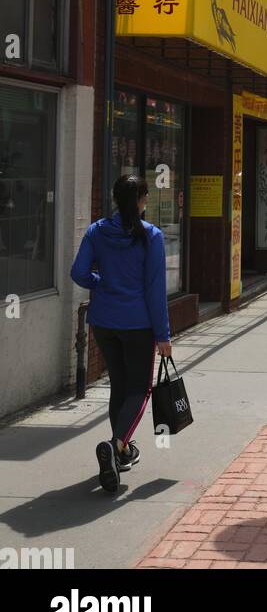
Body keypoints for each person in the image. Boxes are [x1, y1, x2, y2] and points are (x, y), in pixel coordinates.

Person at [70, 174, 171, 496]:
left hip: (103, 321)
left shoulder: (97, 231)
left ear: (115, 199)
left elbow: (78, 273)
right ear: (142, 200)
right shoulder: (150, 236)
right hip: (138, 324)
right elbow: (156, 292)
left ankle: (123, 452)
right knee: (140, 390)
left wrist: (102, 282)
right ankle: (115, 445)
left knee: (119, 384)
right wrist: (164, 336)